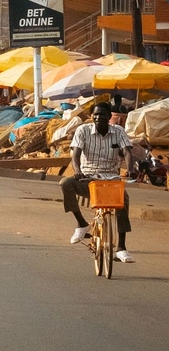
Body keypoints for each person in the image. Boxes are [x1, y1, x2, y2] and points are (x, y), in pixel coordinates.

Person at [62, 102, 137, 263]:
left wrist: (130, 169)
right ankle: (82, 224)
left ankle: (121, 248)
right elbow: (75, 155)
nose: (97, 117)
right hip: (88, 178)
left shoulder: (119, 132)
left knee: (123, 200)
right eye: (95, 114)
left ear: (110, 117)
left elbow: (128, 152)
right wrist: (77, 170)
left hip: (111, 179)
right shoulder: (83, 130)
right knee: (65, 184)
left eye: (101, 114)